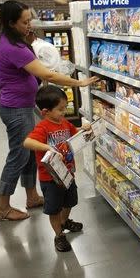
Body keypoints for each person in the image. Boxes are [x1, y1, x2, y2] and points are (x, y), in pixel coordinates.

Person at [0, 0, 98, 221]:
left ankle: (31, 196)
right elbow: (47, 76)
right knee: (18, 156)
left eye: (29, 20)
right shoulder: (11, 47)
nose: (29, 25)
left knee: (29, 155)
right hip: (16, 108)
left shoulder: (11, 40)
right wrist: (79, 83)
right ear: (11, 23)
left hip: (24, 104)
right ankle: (2, 206)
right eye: (24, 22)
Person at [24, 85, 87, 252]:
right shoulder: (42, 127)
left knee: (70, 201)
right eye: (60, 109)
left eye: (65, 108)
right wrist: (47, 147)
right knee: (54, 209)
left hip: (68, 174)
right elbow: (27, 142)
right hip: (50, 179)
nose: (64, 112)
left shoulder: (64, 123)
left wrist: (83, 129)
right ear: (45, 112)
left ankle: (64, 222)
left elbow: (74, 134)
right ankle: (59, 235)